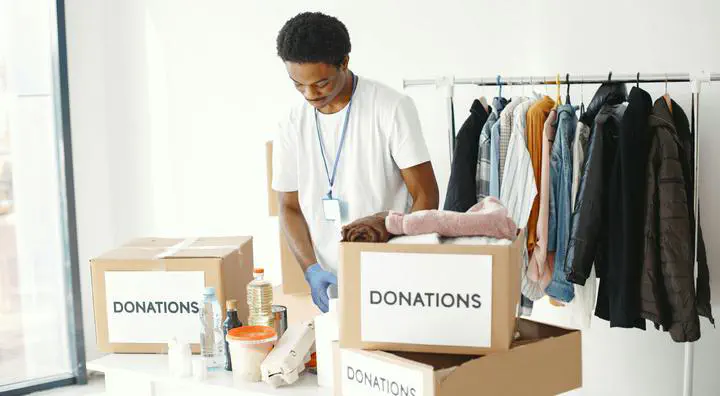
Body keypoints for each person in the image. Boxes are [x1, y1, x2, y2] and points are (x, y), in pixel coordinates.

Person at [272, 12, 439, 312]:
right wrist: (310, 270)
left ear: (344, 62)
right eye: (298, 85)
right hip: (331, 283)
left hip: (392, 278)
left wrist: (404, 259)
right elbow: (288, 206)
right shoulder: (291, 123)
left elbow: (425, 194)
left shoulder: (391, 108)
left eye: (321, 83)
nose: (310, 94)